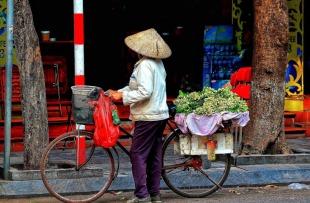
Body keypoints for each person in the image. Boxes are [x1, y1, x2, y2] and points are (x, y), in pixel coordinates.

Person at [108, 28, 172, 203]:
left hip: (148, 116)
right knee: (154, 155)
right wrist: (118, 92)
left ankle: (141, 194)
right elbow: (136, 87)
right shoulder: (157, 63)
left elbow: (145, 92)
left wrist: (123, 96)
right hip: (159, 115)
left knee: (137, 153)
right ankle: (155, 194)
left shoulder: (144, 65)